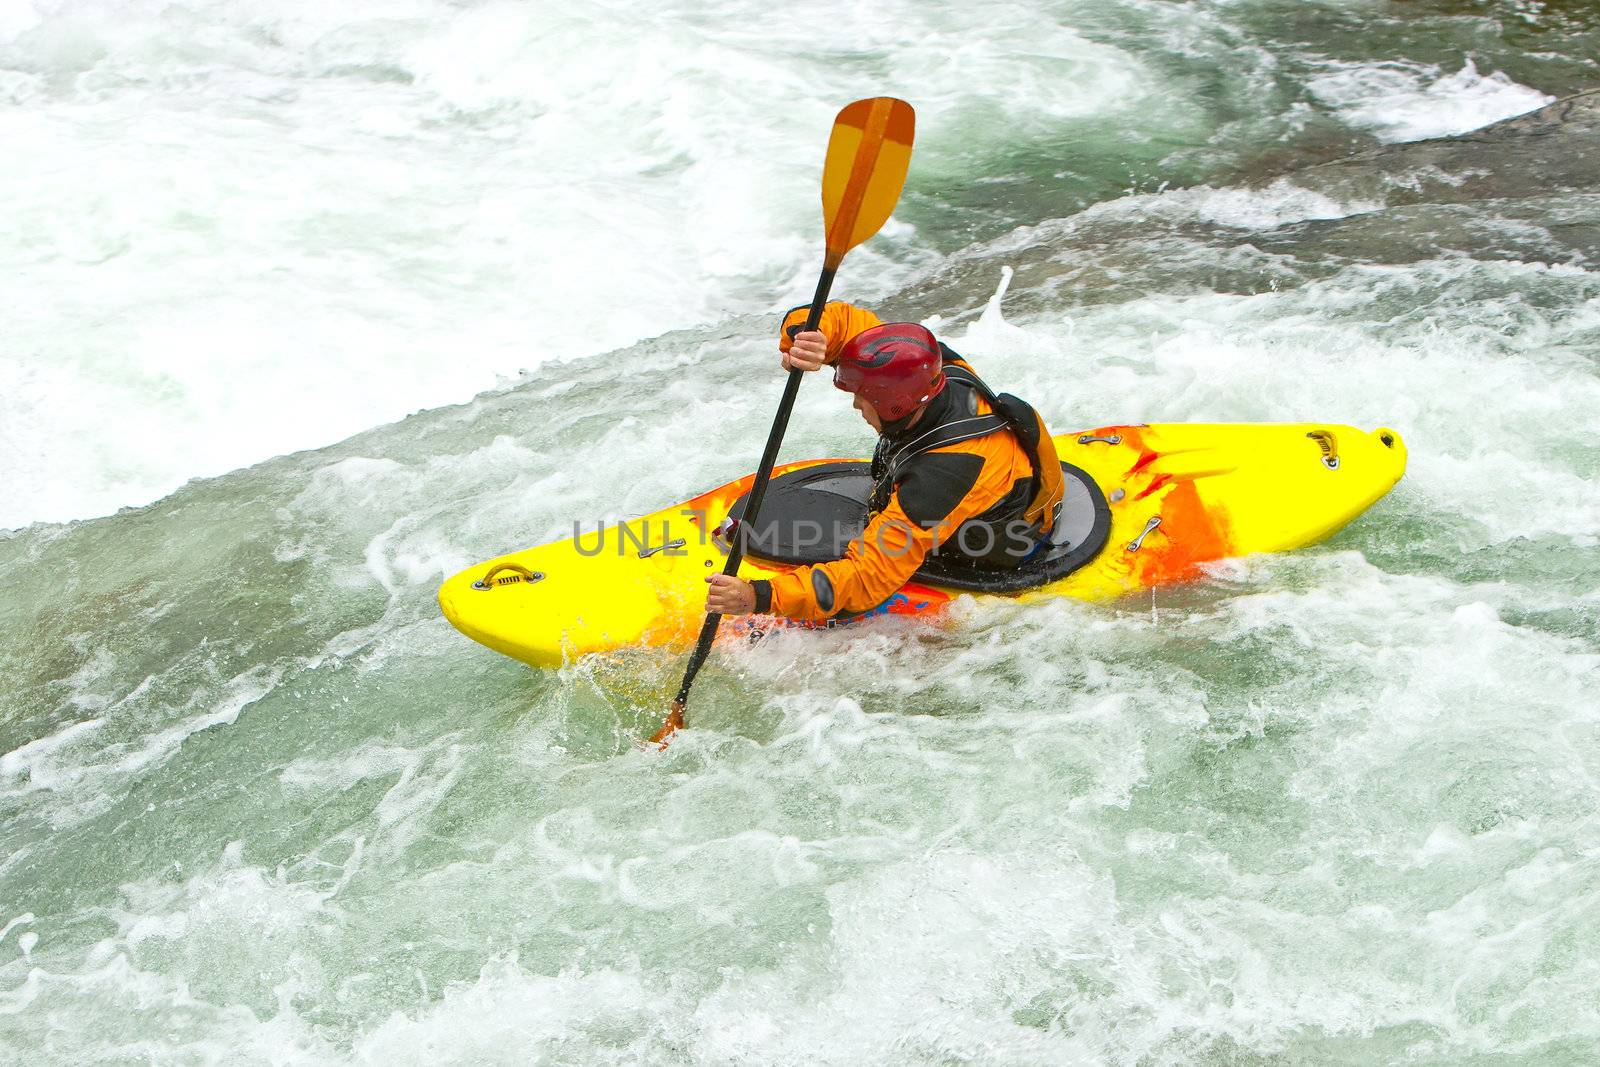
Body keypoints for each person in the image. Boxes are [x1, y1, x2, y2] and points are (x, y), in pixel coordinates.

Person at [704, 301, 1064, 623]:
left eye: (862, 396)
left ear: (894, 402)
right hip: (983, 492)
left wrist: (759, 596)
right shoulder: (930, 365)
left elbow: (867, 580)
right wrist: (809, 336)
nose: (856, 405)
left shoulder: (942, 478)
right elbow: (850, 325)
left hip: (989, 546)